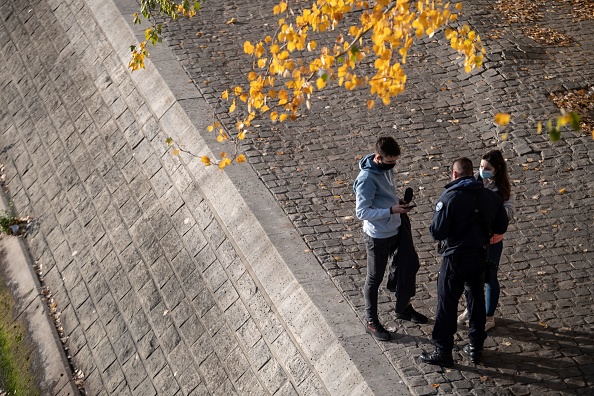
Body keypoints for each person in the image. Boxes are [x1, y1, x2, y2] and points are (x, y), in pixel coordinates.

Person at [420, 157, 508, 366]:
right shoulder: (490, 197)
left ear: (455, 175)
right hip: (479, 256)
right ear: (472, 173)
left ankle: (443, 351)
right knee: (476, 301)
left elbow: (437, 231)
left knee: (447, 304)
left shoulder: (449, 198)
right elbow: (501, 225)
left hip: (454, 259)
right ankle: (476, 348)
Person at [353, 136, 428, 342]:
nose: (392, 165)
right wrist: (390, 210)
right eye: (389, 162)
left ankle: (403, 308)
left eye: (395, 161)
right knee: (374, 279)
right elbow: (362, 212)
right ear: (378, 157)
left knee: (408, 265)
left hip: (397, 226)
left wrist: (398, 202)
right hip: (378, 236)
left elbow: (386, 194)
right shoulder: (366, 179)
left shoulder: (387, 168)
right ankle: (371, 321)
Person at [457, 150, 514, 331]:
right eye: (481, 166)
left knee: (490, 278)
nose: (482, 170)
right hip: (475, 238)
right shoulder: (475, 180)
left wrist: (492, 209)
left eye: (487, 168)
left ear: (497, 169)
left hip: (493, 240)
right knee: (473, 278)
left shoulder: (502, 189)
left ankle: (489, 316)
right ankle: (471, 308)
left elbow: (509, 213)